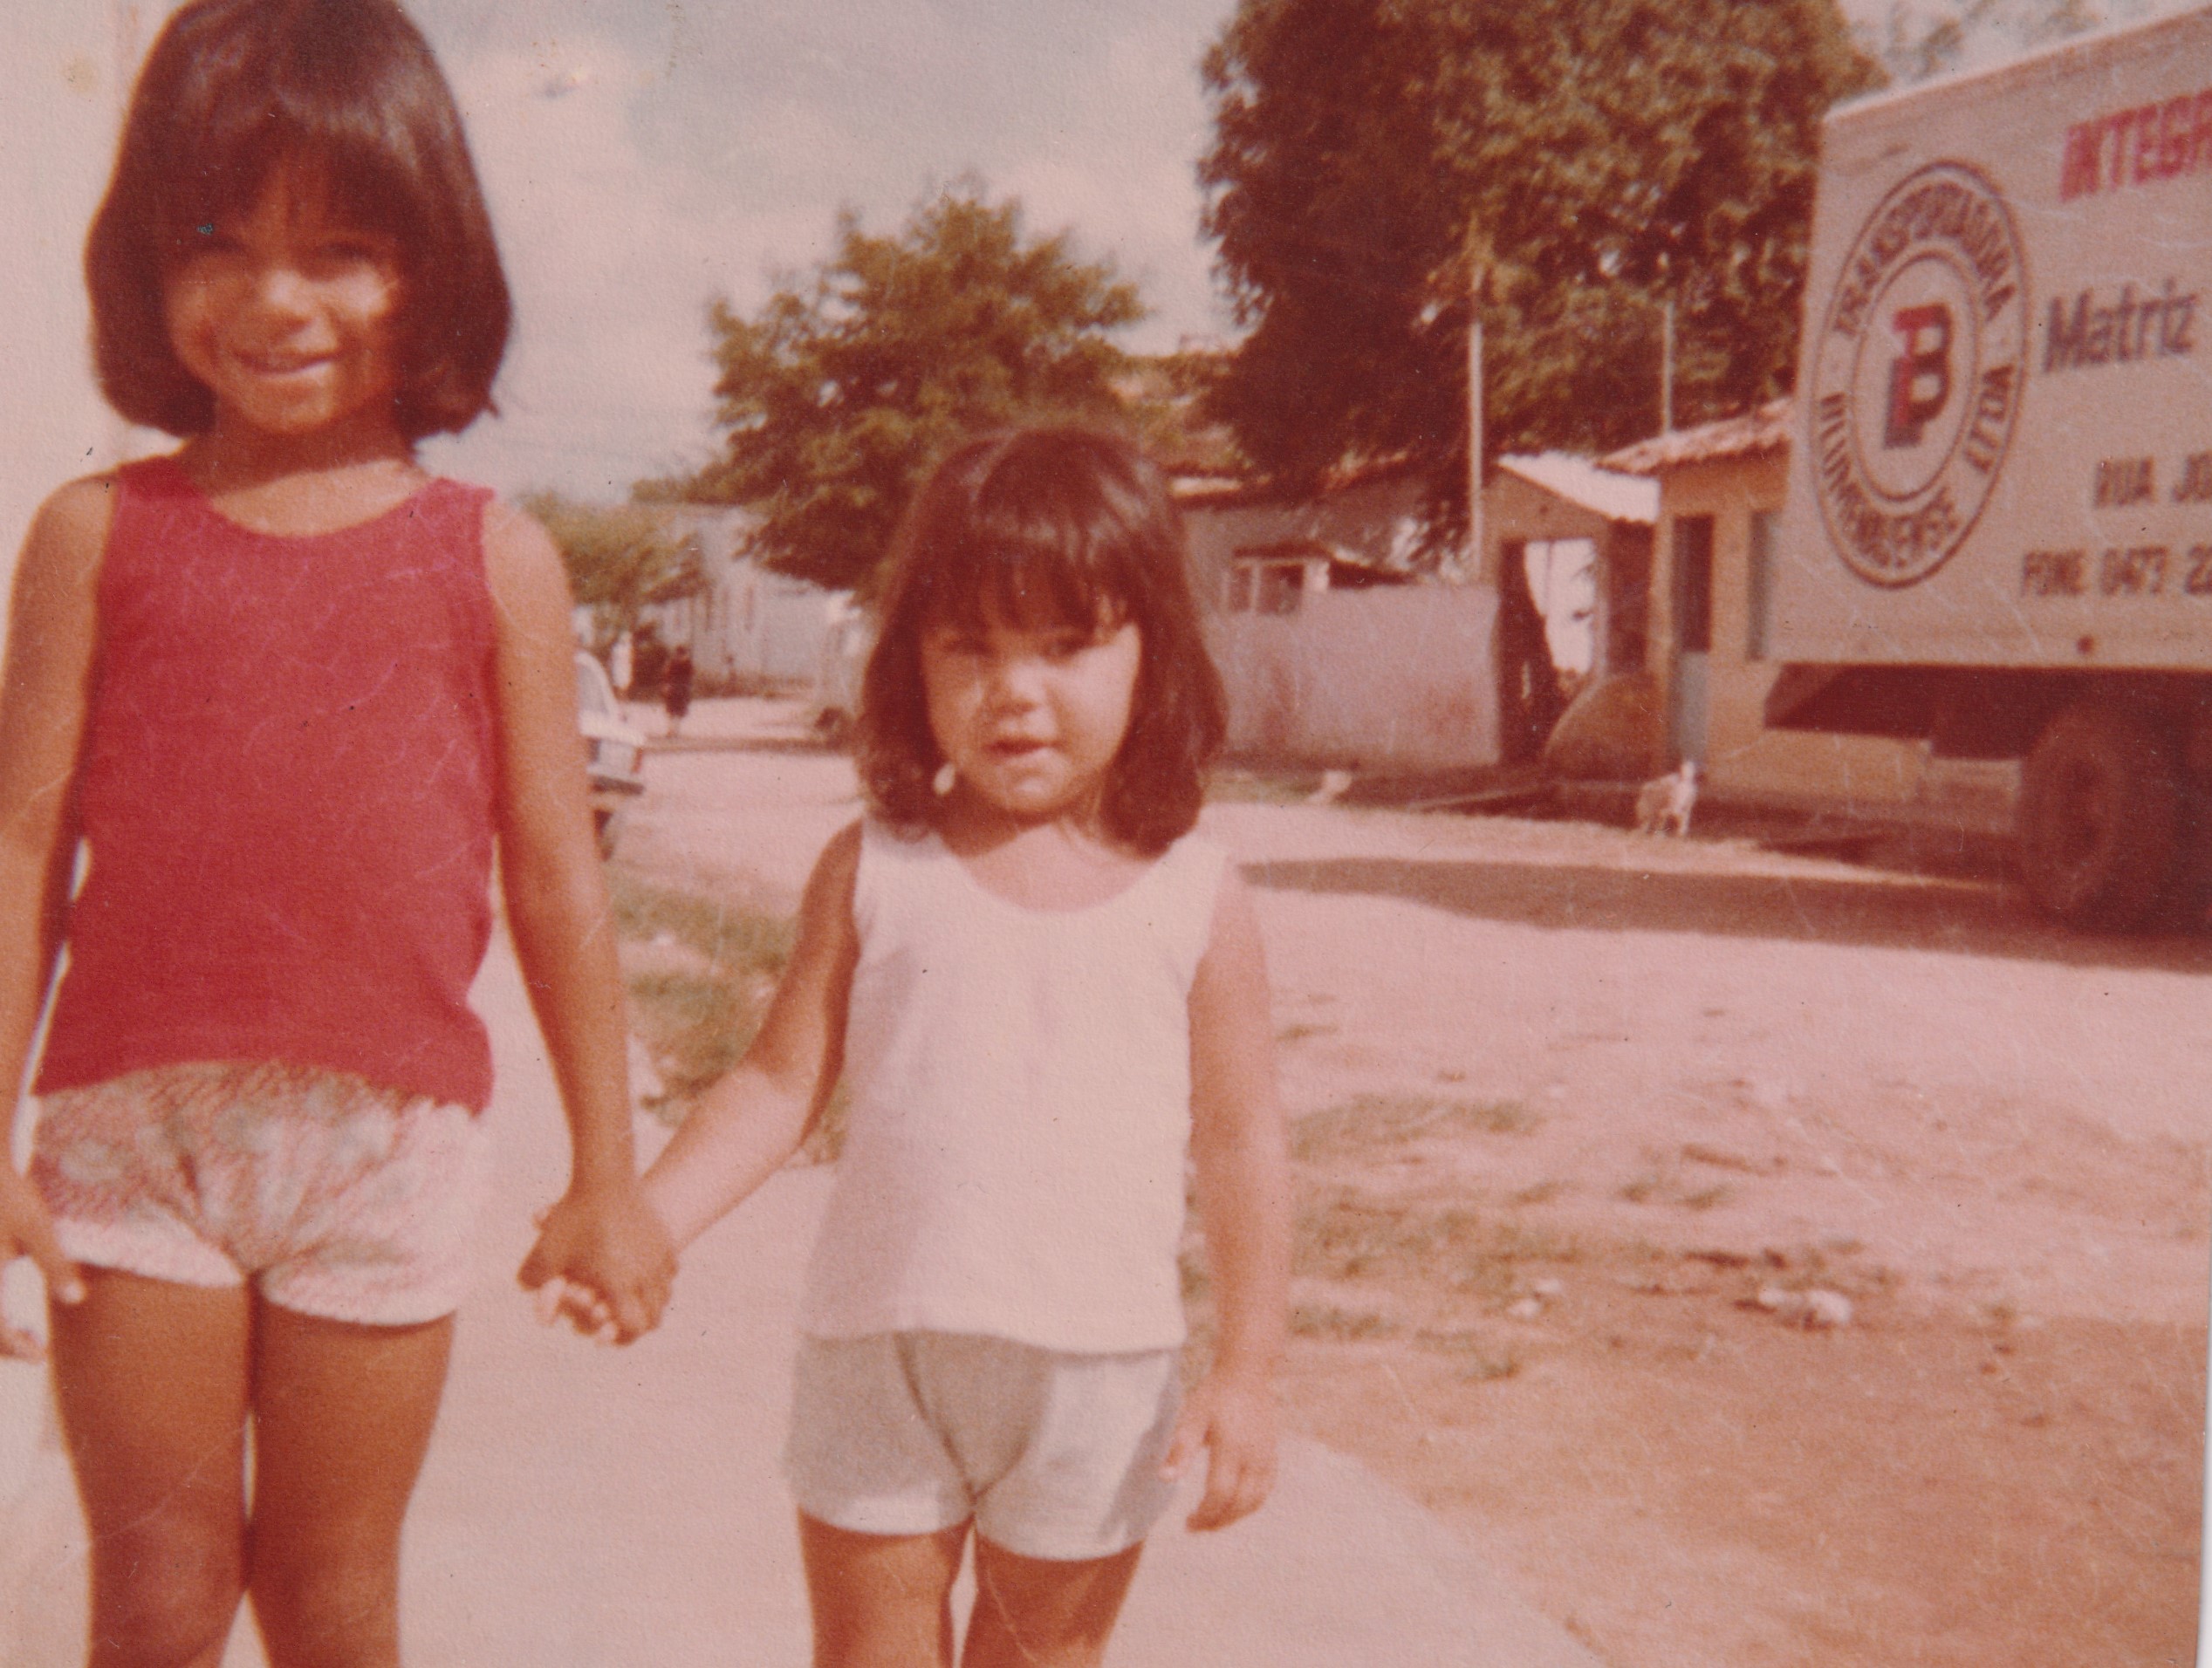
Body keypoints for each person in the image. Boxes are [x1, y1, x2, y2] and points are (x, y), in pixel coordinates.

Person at [0, 3, 675, 1663]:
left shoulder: (495, 559)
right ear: (145, 267)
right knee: (153, 1596)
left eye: (345, 249)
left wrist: (610, 1172)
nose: (276, 300)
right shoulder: (93, 535)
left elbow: (555, 876)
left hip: (382, 1151)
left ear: (429, 275)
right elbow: (18, 846)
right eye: (220, 241)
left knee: (332, 1596)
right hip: (132, 1141)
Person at [551, 426, 1291, 1668]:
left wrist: (1249, 1370)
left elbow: (1239, 1140)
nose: (1015, 689)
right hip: (878, 1354)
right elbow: (777, 1083)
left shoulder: (1194, 897)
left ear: (1148, 654)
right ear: (911, 667)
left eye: (1065, 645)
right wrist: (648, 1218)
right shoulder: (874, 868)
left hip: (1093, 1372)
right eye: (972, 649)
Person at [662, 641, 695, 738]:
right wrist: (667, 685)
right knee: (673, 711)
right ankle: (672, 730)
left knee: (678, 711)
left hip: (681, 688)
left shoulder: (686, 664)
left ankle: (675, 731)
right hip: (676, 688)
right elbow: (668, 676)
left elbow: (690, 677)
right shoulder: (675, 663)